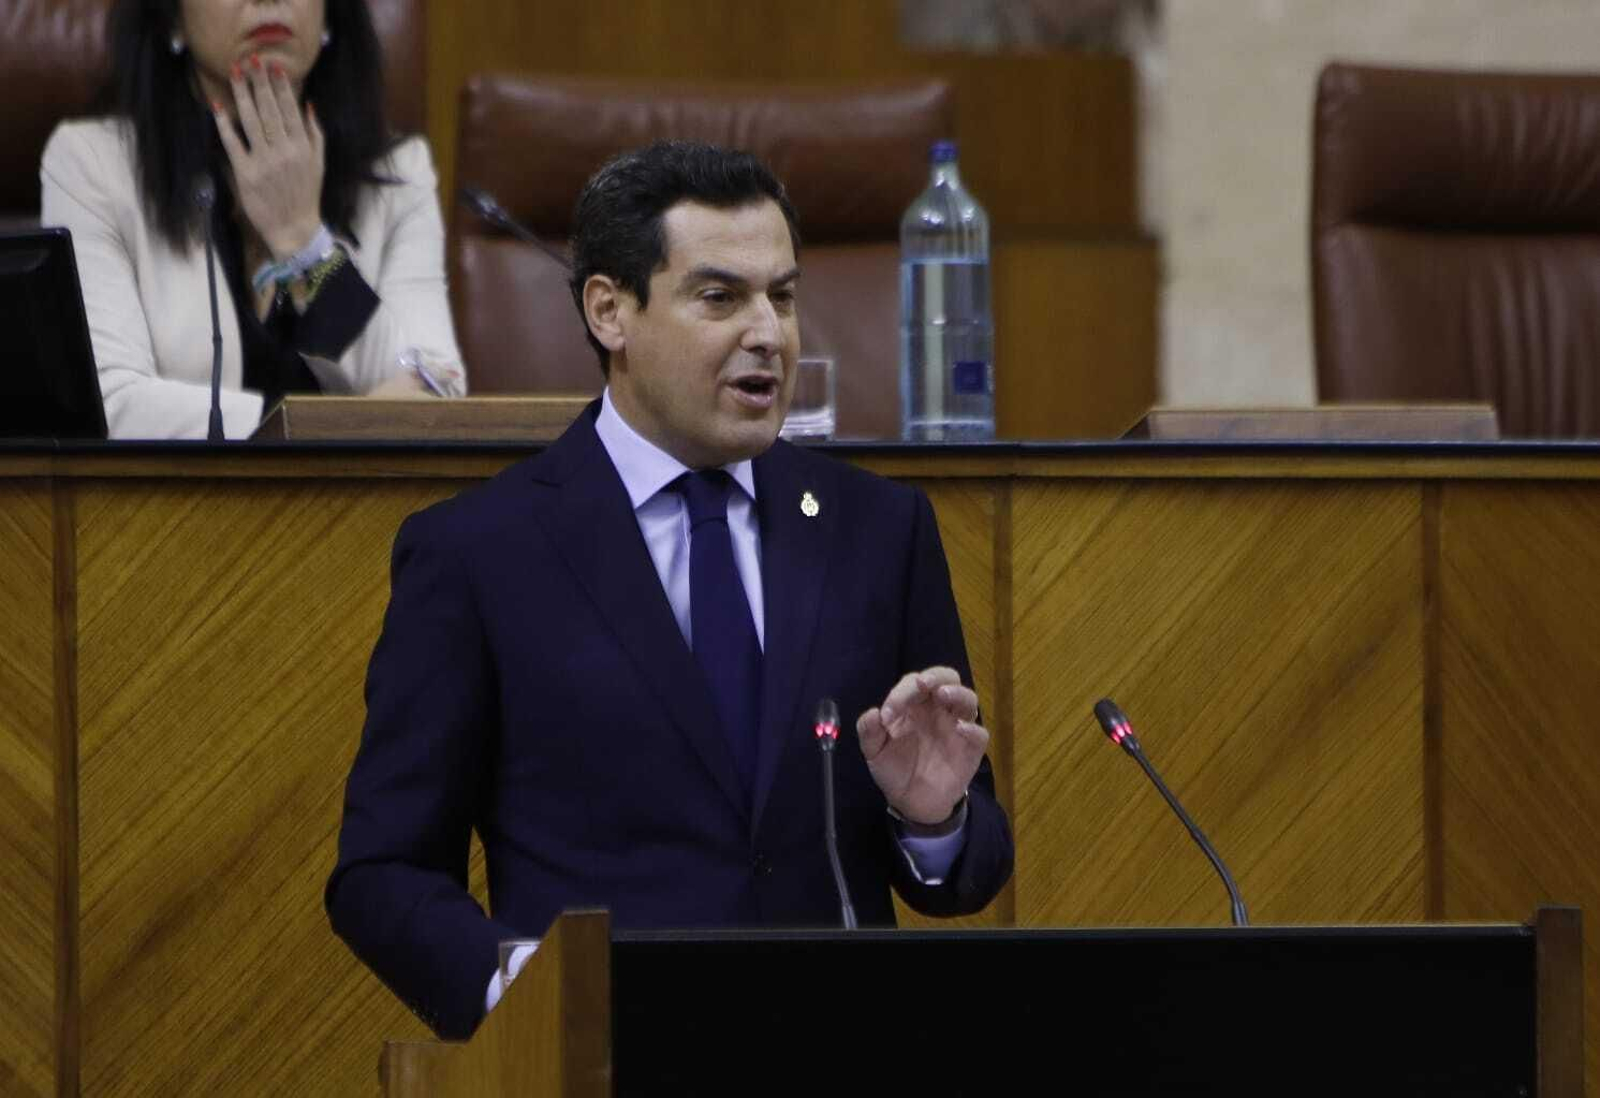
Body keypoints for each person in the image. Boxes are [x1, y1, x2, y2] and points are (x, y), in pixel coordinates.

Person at [326, 141, 1014, 1040]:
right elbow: (383, 871)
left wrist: (932, 819)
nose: (768, 332)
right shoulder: (477, 555)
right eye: (720, 297)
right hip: (600, 1057)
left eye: (785, 295)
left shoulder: (878, 532)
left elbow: (969, 864)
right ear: (611, 311)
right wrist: (520, 990)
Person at [39, 0, 464, 440]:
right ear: (171, 19)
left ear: (329, 17)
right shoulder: (93, 165)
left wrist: (304, 242)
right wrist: (310, 433)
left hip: (371, 508)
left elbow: (436, 394)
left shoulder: (397, 175)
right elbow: (110, 403)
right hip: (173, 506)